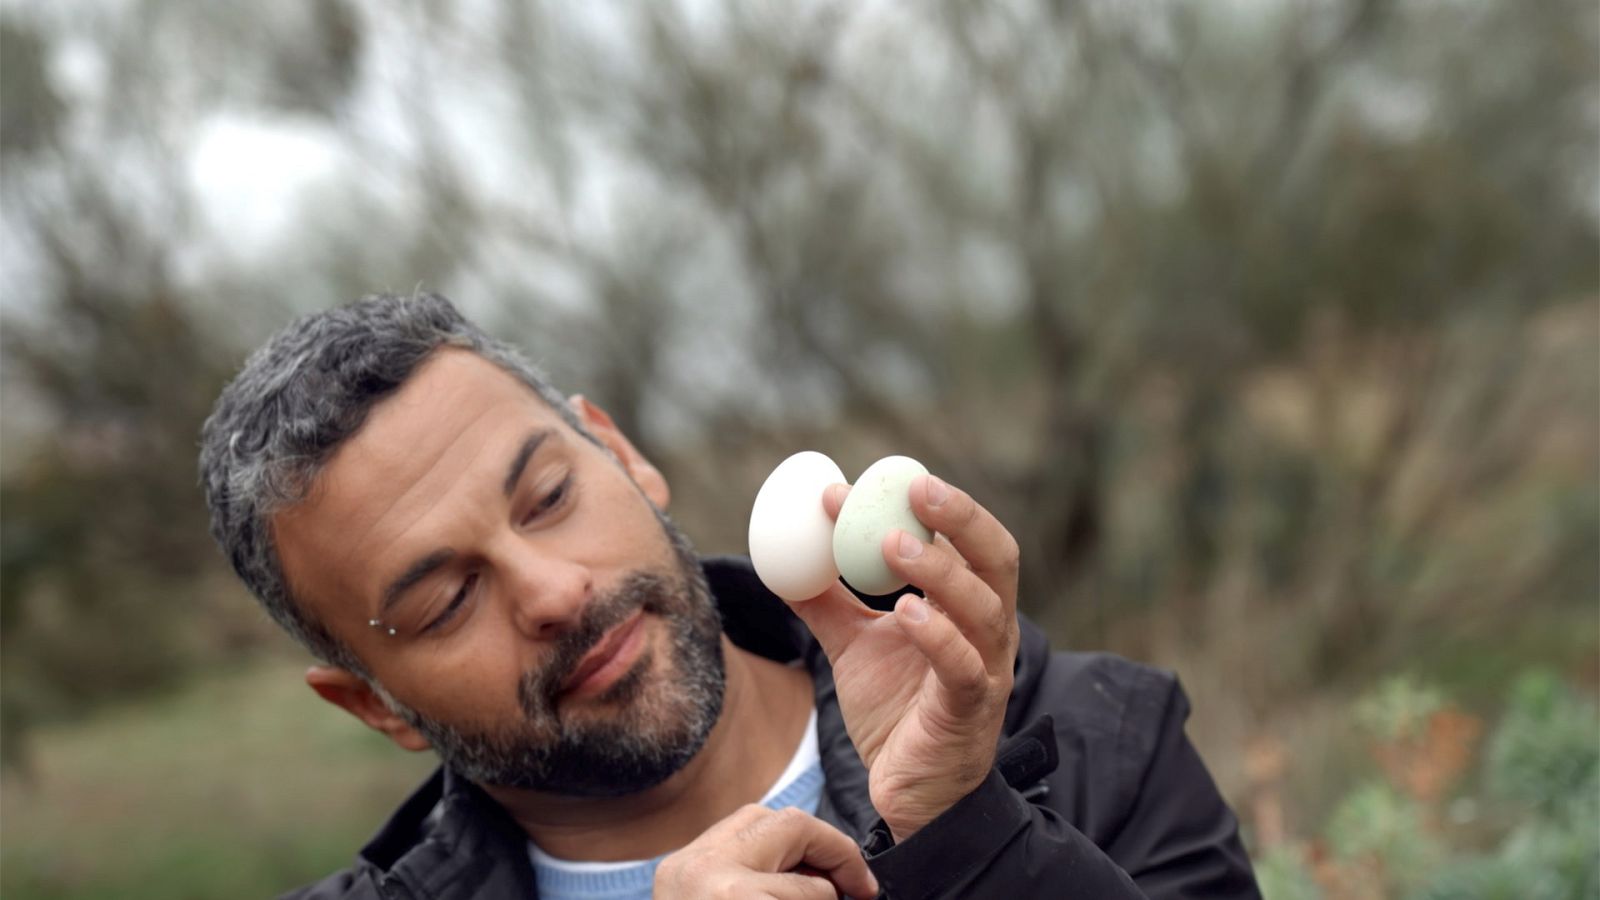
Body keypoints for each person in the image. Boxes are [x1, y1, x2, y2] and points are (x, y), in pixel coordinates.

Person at [199, 293, 1261, 899]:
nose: (556, 591)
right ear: (374, 704)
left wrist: (967, 837)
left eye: (550, 495)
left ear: (619, 452)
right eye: (443, 603)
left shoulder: (1088, 743)